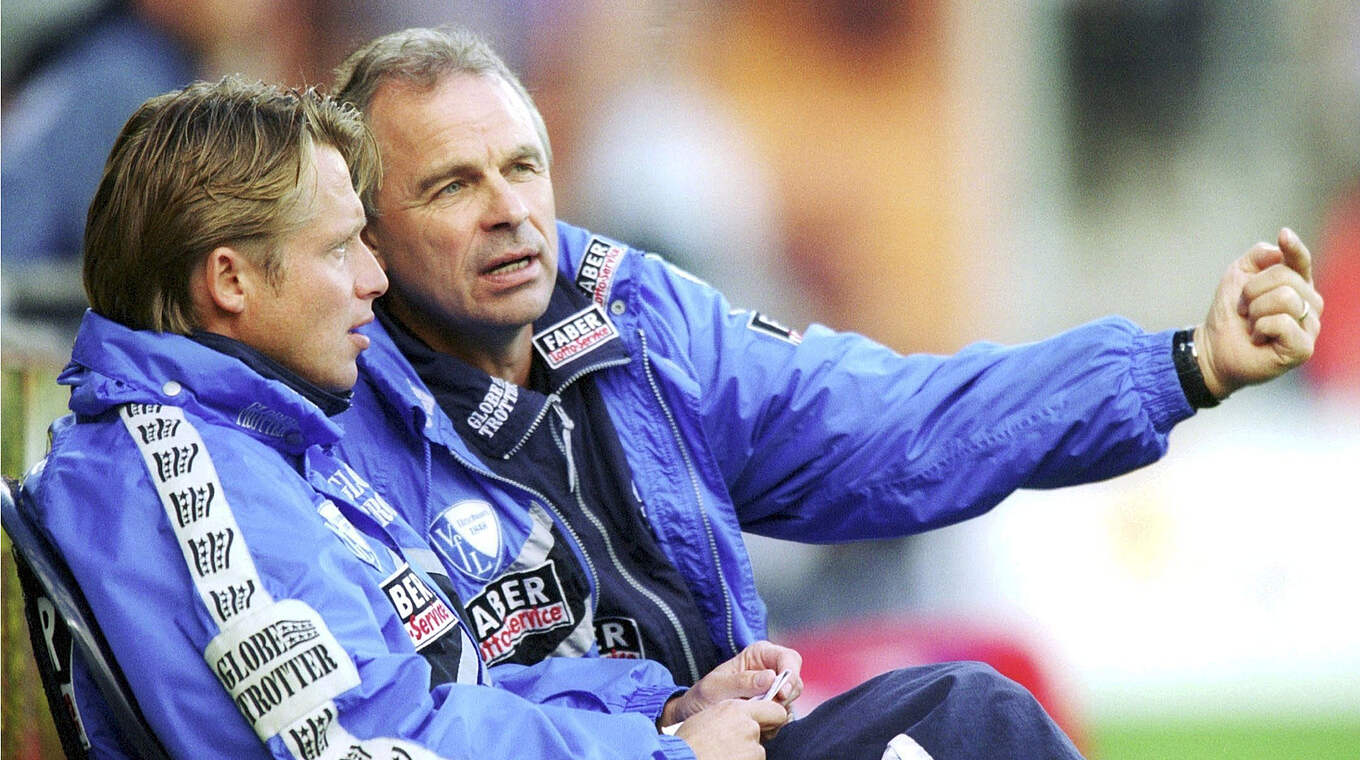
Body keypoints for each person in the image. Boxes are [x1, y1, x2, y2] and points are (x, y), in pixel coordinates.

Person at [326, 26, 1324, 759]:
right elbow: (399, 718)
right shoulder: (321, 420)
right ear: (366, 232)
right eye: (453, 185)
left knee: (974, 718)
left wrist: (1183, 364)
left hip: (720, 742)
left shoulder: (637, 318)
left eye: (523, 167)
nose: (509, 210)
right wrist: (654, 718)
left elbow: (893, 422)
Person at [21, 75, 813, 760]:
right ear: (231, 281)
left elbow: (446, 690)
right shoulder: (190, 476)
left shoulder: (254, 447)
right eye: (340, 249)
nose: (375, 278)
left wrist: (661, 709)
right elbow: (368, 745)